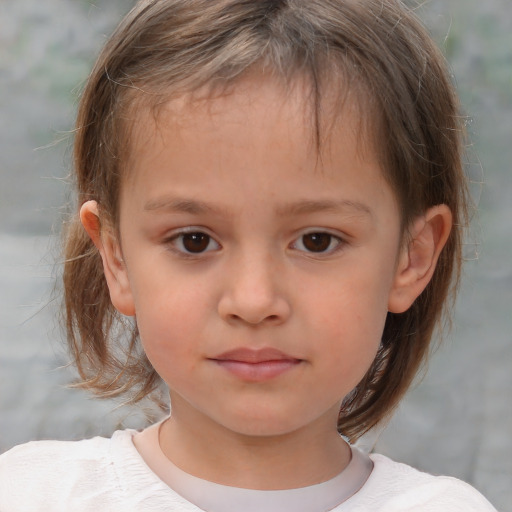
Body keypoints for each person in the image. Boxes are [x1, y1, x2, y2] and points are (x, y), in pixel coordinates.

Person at [0, 0, 498, 510]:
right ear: (116, 258)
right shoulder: (32, 495)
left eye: (317, 241)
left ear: (410, 258)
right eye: (194, 240)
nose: (254, 301)